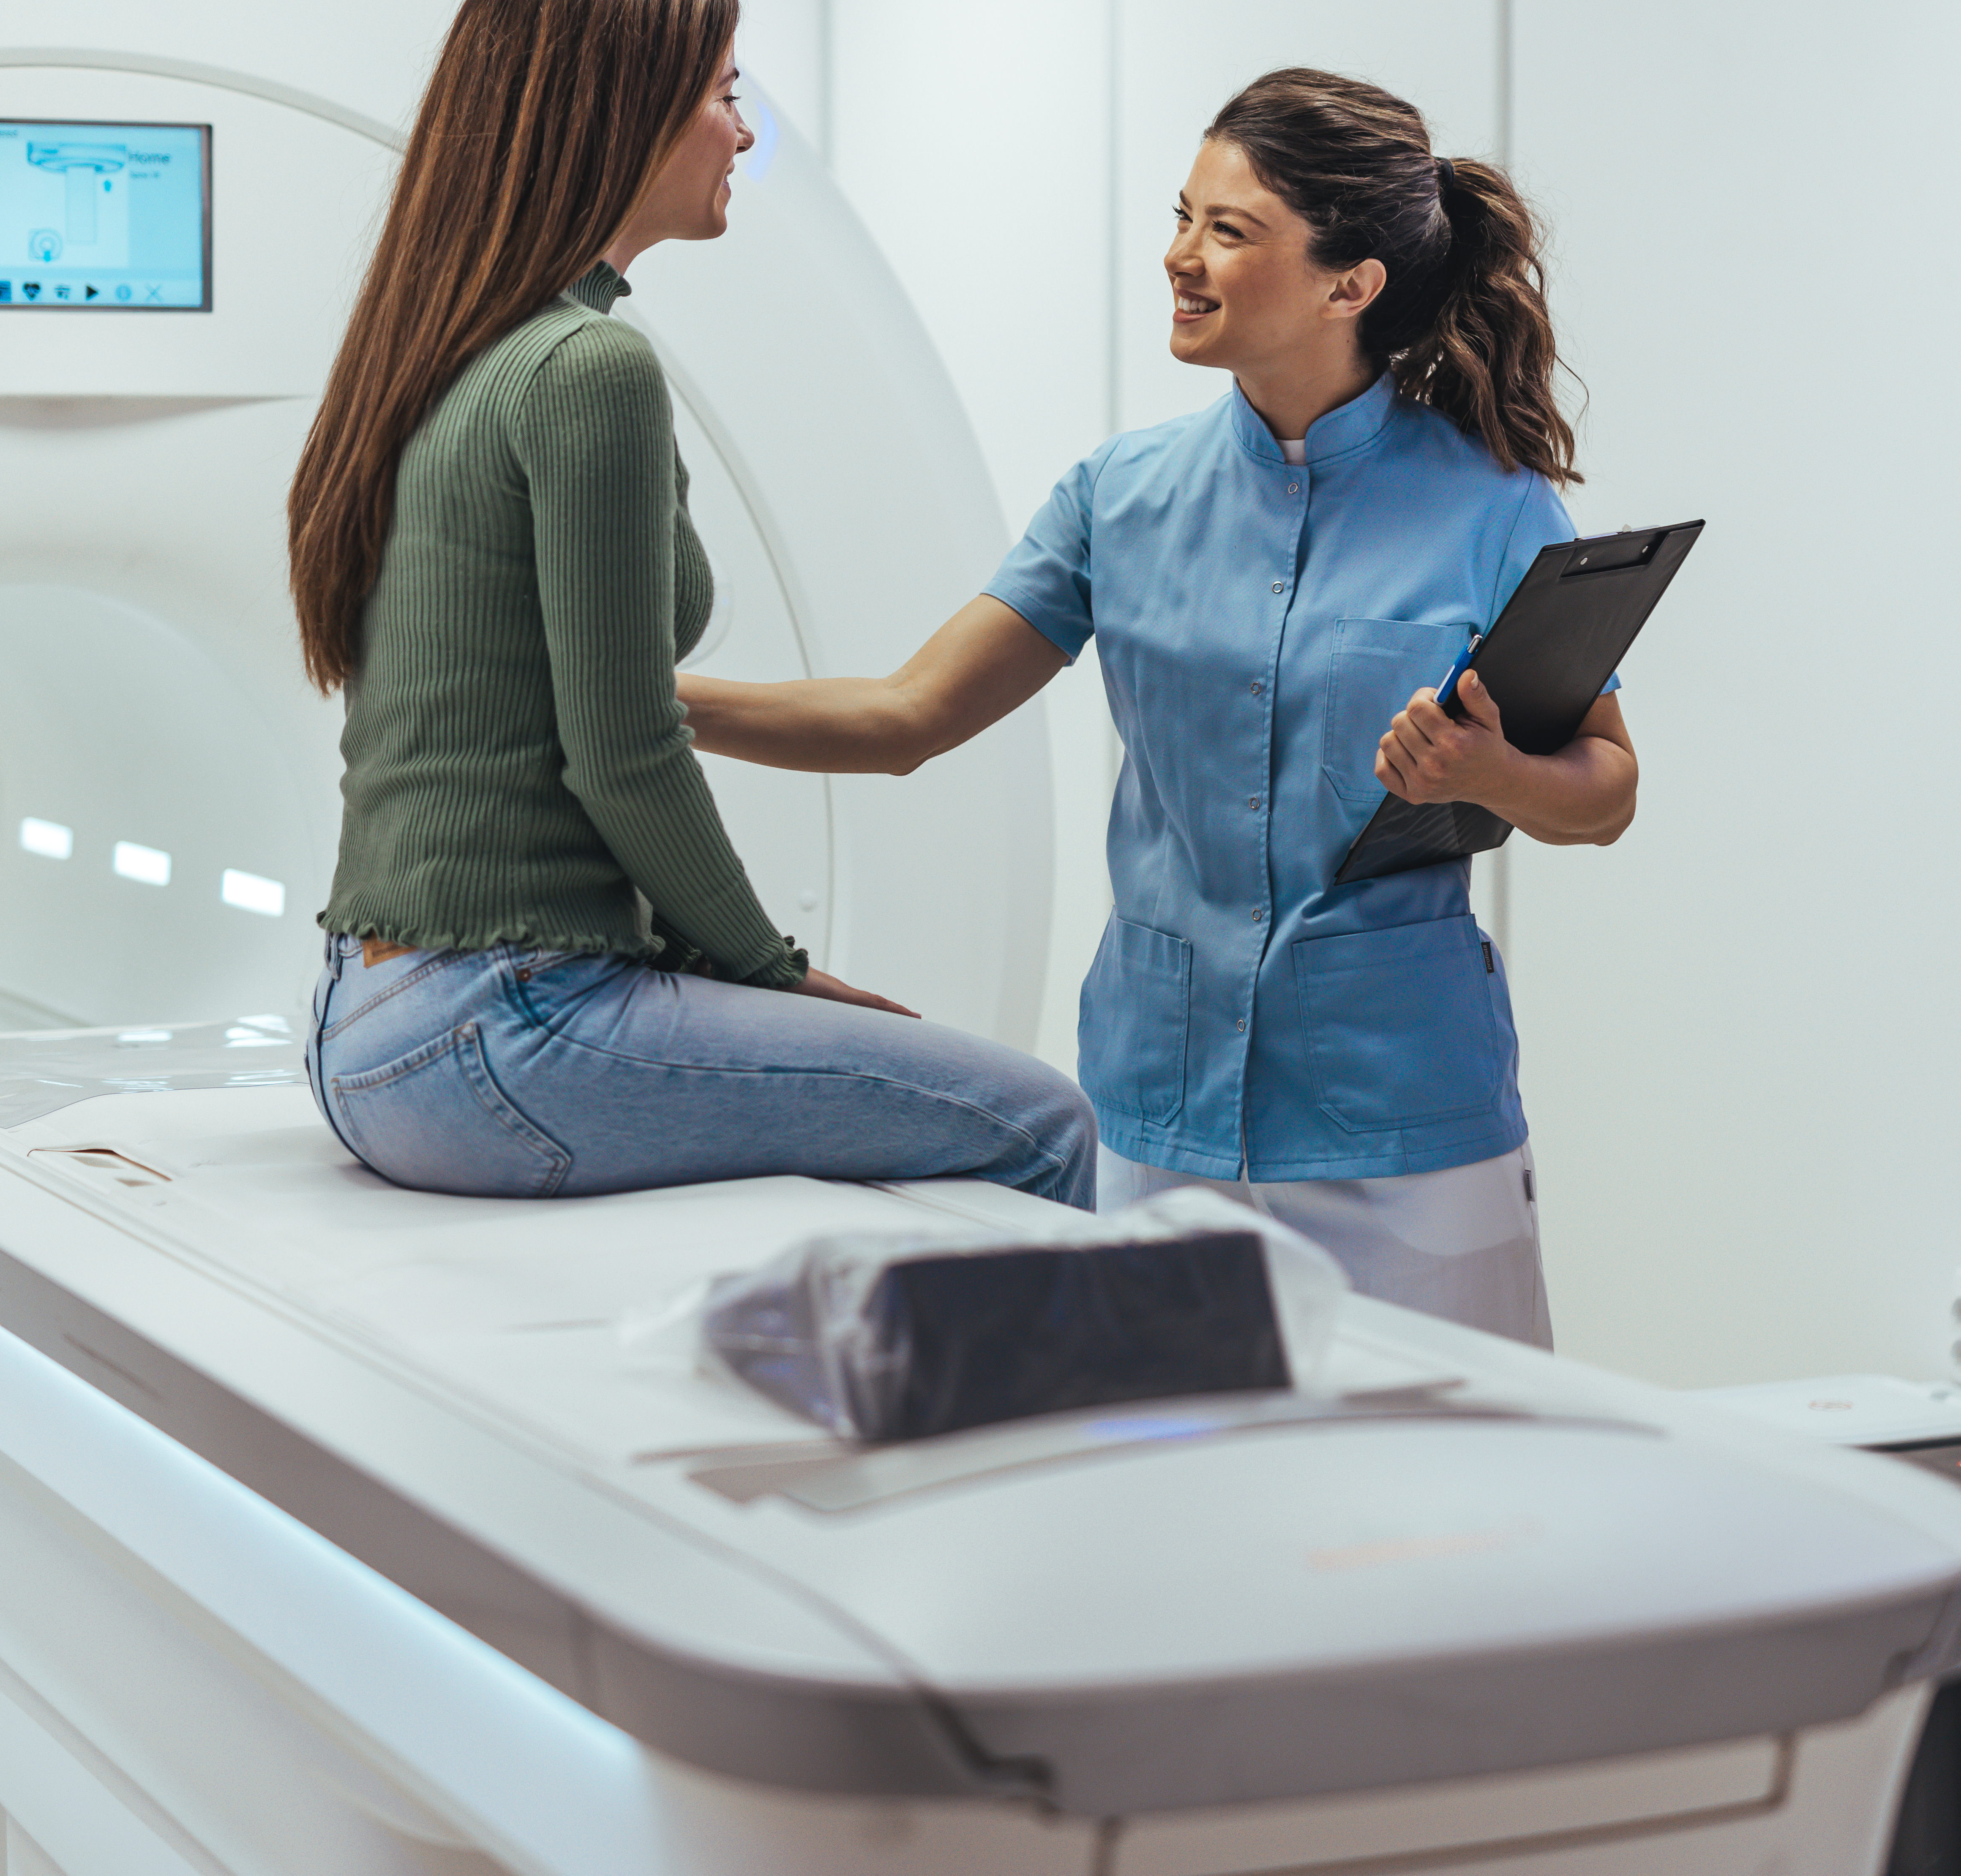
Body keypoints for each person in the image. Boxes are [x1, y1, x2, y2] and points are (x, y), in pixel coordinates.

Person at [677, 68, 1634, 1342]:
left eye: (1230, 232)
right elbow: (909, 717)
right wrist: (648, 701)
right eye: (1184, 216)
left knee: (1449, 1514)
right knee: (1173, 1509)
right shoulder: (1116, 497)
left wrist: (1487, 774)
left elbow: (1606, 791)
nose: (1182, 258)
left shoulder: (1493, 504)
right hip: (1158, 1123)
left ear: (1353, 284)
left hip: (1407, 1129)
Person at [286, 0, 1094, 1208]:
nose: (746, 133)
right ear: (628, 113)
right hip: (505, 1031)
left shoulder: (442, 357)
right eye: (726, 96)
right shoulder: (587, 369)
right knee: (1042, 1118)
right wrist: (768, 969)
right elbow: (622, 748)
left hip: (366, 1026)